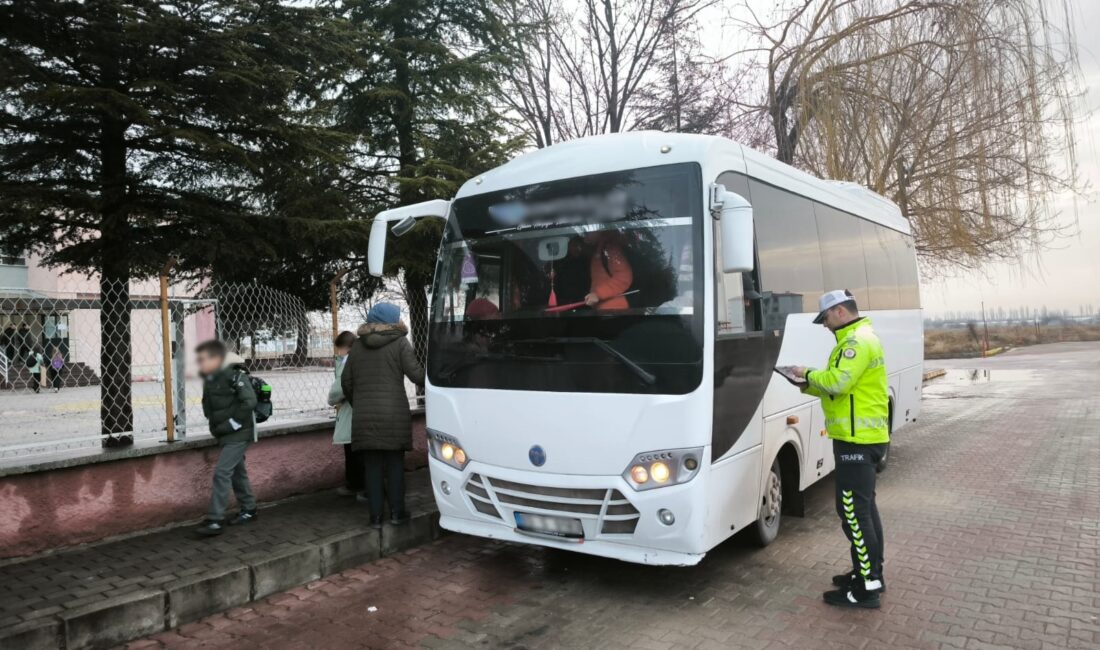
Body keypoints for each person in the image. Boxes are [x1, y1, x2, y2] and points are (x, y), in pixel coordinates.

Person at [792, 290, 890, 609]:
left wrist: (805, 373)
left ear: (839, 312)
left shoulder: (855, 343)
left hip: (856, 442)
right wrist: (807, 384)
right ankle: (870, 573)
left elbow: (837, 384)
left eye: (825, 319)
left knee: (853, 513)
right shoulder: (859, 338)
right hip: (863, 439)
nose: (825, 326)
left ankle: (866, 590)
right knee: (864, 510)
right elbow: (839, 392)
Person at [341, 303, 425, 529]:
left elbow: (346, 382)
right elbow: (417, 375)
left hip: (365, 417)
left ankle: (375, 517)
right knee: (395, 465)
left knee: (373, 468)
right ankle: (398, 513)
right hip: (393, 415)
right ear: (392, 321)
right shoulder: (400, 343)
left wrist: (358, 404)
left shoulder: (357, 347)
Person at [194, 340, 258, 537]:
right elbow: (208, 405)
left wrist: (233, 423)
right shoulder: (211, 379)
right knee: (237, 472)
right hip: (225, 433)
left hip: (238, 433)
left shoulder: (236, 376)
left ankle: (215, 519)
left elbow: (250, 402)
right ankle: (249, 509)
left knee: (222, 473)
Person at [328, 331, 364, 498]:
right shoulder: (363, 357)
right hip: (362, 410)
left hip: (350, 411)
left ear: (346, 347)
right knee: (359, 452)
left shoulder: (347, 361)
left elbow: (340, 387)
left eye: (339, 349)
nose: (338, 353)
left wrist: (331, 399)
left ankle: (355, 485)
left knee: (351, 451)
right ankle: (360, 485)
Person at [585, 231, 633, 311]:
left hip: (614, 309)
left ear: (598, 231)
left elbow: (624, 278)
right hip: (607, 309)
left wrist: (597, 294)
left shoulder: (610, 249)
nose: (584, 236)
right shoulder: (599, 250)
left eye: (587, 232)